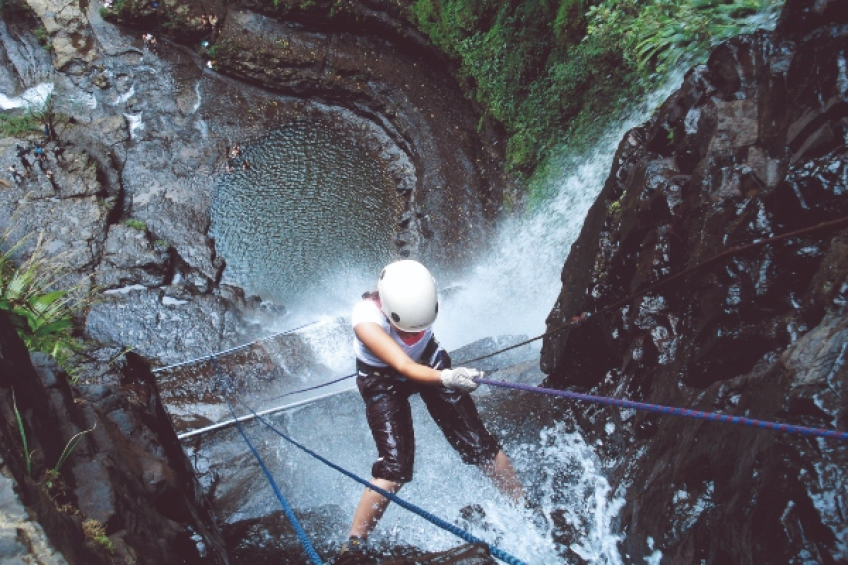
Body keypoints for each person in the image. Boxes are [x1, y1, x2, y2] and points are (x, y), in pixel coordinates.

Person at [339, 260, 524, 559]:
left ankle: (523, 505)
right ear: (387, 308)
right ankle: (355, 542)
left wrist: (443, 373)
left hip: (428, 360)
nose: (412, 333)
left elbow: (418, 354)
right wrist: (447, 377)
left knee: (478, 442)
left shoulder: (421, 295)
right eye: (406, 330)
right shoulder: (366, 320)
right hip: (383, 379)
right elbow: (403, 365)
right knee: (395, 466)